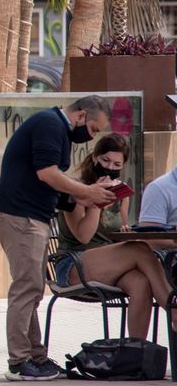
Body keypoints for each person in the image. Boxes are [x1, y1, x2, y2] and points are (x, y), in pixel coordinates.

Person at [0, 95, 116, 381]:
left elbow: (53, 187)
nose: (92, 136)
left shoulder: (56, 129)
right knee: (27, 288)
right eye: (95, 129)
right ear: (81, 115)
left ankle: (36, 356)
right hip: (21, 217)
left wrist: (90, 197)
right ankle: (19, 361)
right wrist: (86, 193)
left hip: (30, 217)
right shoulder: (50, 124)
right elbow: (47, 174)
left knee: (32, 288)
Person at [56, 133, 174, 339]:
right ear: (95, 158)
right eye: (105, 160)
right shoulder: (77, 190)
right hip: (73, 263)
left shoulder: (121, 193)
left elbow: (114, 233)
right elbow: (83, 236)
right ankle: (174, 310)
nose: (110, 167)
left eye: (116, 163)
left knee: (141, 283)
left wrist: (125, 232)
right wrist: (96, 199)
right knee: (140, 249)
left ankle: (136, 353)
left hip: (109, 263)